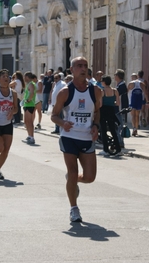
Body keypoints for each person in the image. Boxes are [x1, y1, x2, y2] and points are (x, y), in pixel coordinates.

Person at [51, 56, 101, 222]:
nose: (83, 68)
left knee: (90, 177)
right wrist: (63, 122)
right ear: (71, 70)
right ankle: (74, 209)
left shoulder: (95, 91)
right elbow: (54, 116)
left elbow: (97, 112)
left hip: (87, 138)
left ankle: (71, 181)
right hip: (69, 137)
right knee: (72, 171)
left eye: (85, 65)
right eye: (79, 65)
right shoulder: (65, 92)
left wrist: (96, 125)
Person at [98, 75, 122, 156]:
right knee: (113, 130)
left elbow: (100, 104)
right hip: (111, 111)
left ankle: (105, 150)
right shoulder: (115, 91)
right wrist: (112, 103)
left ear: (104, 82)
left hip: (103, 111)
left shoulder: (102, 91)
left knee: (103, 131)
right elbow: (118, 103)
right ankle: (118, 149)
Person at [114, 69, 129, 148]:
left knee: (119, 126)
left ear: (118, 76)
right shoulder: (119, 85)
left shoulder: (122, 85)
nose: (114, 76)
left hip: (120, 109)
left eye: (115, 75)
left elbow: (116, 95)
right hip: (118, 109)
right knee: (118, 126)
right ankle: (119, 141)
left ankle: (120, 142)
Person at [22, 71, 36, 144]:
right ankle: (29, 135)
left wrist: (28, 100)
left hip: (30, 105)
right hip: (27, 105)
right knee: (27, 121)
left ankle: (31, 137)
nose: (24, 78)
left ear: (27, 77)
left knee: (29, 121)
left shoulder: (31, 84)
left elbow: (32, 93)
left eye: (24, 76)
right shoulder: (29, 84)